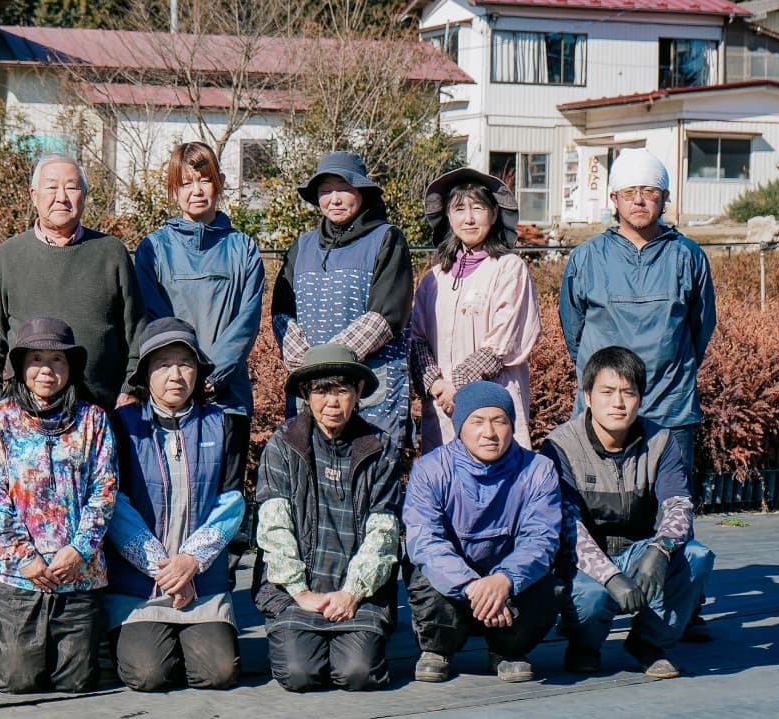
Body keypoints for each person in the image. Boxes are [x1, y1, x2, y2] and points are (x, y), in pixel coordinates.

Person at [558, 147, 717, 640]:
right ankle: (587, 598)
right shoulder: (586, 257)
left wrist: (670, 373)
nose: (641, 201)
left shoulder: (688, 256)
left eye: (651, 192)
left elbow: (700, 327)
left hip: (669, 404)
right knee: (586, 507)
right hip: (599, 409)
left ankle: (678, 609)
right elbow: (573, 326)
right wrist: (602, 387)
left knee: (674, 505)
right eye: (631, 192)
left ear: (665, 199)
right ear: (614, 199)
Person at [540, 346, 714, 679]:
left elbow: (678, 505)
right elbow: (567, 526)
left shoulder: (661, 442)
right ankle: (583, 646)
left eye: (628, 392)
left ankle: (649, 643)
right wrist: (609, 576)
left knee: (696, 557)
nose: (618, 403)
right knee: (590, 597)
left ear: (640, 398)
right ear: (588, 396)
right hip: (585, 562)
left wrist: (660, 550)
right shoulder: (560, 446)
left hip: (640, 550)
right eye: (607, 392)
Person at [0, 318, 118, 693]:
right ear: (20, 366)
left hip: (78, 571)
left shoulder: (94, 420)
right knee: (17, 678)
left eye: (57, 359)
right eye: (36, 358)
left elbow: (103, 492)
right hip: (17, 572)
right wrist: (25, 556)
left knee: (75, 681)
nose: (46, 369)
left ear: (71, 368)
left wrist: (78, 550)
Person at [104, 318, 247, 692]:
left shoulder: (223, 423)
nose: (176, 375)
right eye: (163, 364)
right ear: (145, 373)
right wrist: (163, 570)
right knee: (150, 675)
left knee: (219, 673)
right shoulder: (122, 425)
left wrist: (190, 562)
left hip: (202, 580)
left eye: (185, 363)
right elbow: (114, 502)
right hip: (141, 584)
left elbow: (231, 501)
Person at [254, 343, 402, 692]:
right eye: (321, 390)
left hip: (359, 593)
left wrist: (352, 592)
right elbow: (273, 525)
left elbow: (384, 529)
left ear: (359, 391)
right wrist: (300, 591)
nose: (331, 402)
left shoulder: (379, 449)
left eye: (342, 390)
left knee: (357, 673)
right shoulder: (283, 445)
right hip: (296, 591)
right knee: (299, 674)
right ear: (306, 394)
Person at [404, 381, 563, 683]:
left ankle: (507, 649)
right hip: (455, 582)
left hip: (507, 585)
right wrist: (471, 586)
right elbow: (425, 539)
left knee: (547, 586)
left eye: (499, 421)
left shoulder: (538, 470)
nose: (489, 432)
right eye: (477, 421)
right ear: (461, 426)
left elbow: (541, 539)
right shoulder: (431, 469)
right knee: (423, 573)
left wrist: (504, 580)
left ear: (512, 425)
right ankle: (438, 648)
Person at [0, 153, 145, 410]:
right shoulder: (8, 256)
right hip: (23, 416)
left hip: (103, 412)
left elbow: (137, 332)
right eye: (51, 187)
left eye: (72, 187)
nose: (61, 197)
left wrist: (130, 391)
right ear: (34, 195)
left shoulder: (111, 252)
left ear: (84, 196)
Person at [271, 152, 414, 437]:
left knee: (371, 470)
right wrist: (308, 365)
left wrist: (328, 363)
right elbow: (282, 312)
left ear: (361, 192)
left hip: (371, 388)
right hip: (311, 389)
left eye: (343, 189)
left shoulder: (387, 238)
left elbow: (386, 315)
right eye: (325, 191)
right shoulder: (302, 245)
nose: (334, 199)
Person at [409, 167, 541, 453]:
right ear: (448, 216)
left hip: (492, 399)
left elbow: (503, 343)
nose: (469, 218)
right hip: (442, 406)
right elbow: (416, 338)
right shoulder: (434, 277)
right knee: (447, 479)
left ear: (493, 215)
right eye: (459, 209)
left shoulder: (509, 268)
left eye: (478, 208)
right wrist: (436, 385)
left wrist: (457, 385)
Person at [134, 141, 265, 423]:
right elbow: (155, 320)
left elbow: (248, 320)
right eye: (185, 183)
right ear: (173, 189)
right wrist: (182, 373)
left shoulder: (243, 249)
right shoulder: (154, 249)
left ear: (219, 182)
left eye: (205, 180)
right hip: (171, 395)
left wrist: (213, 373)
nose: (196, 191)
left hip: (229, 398)